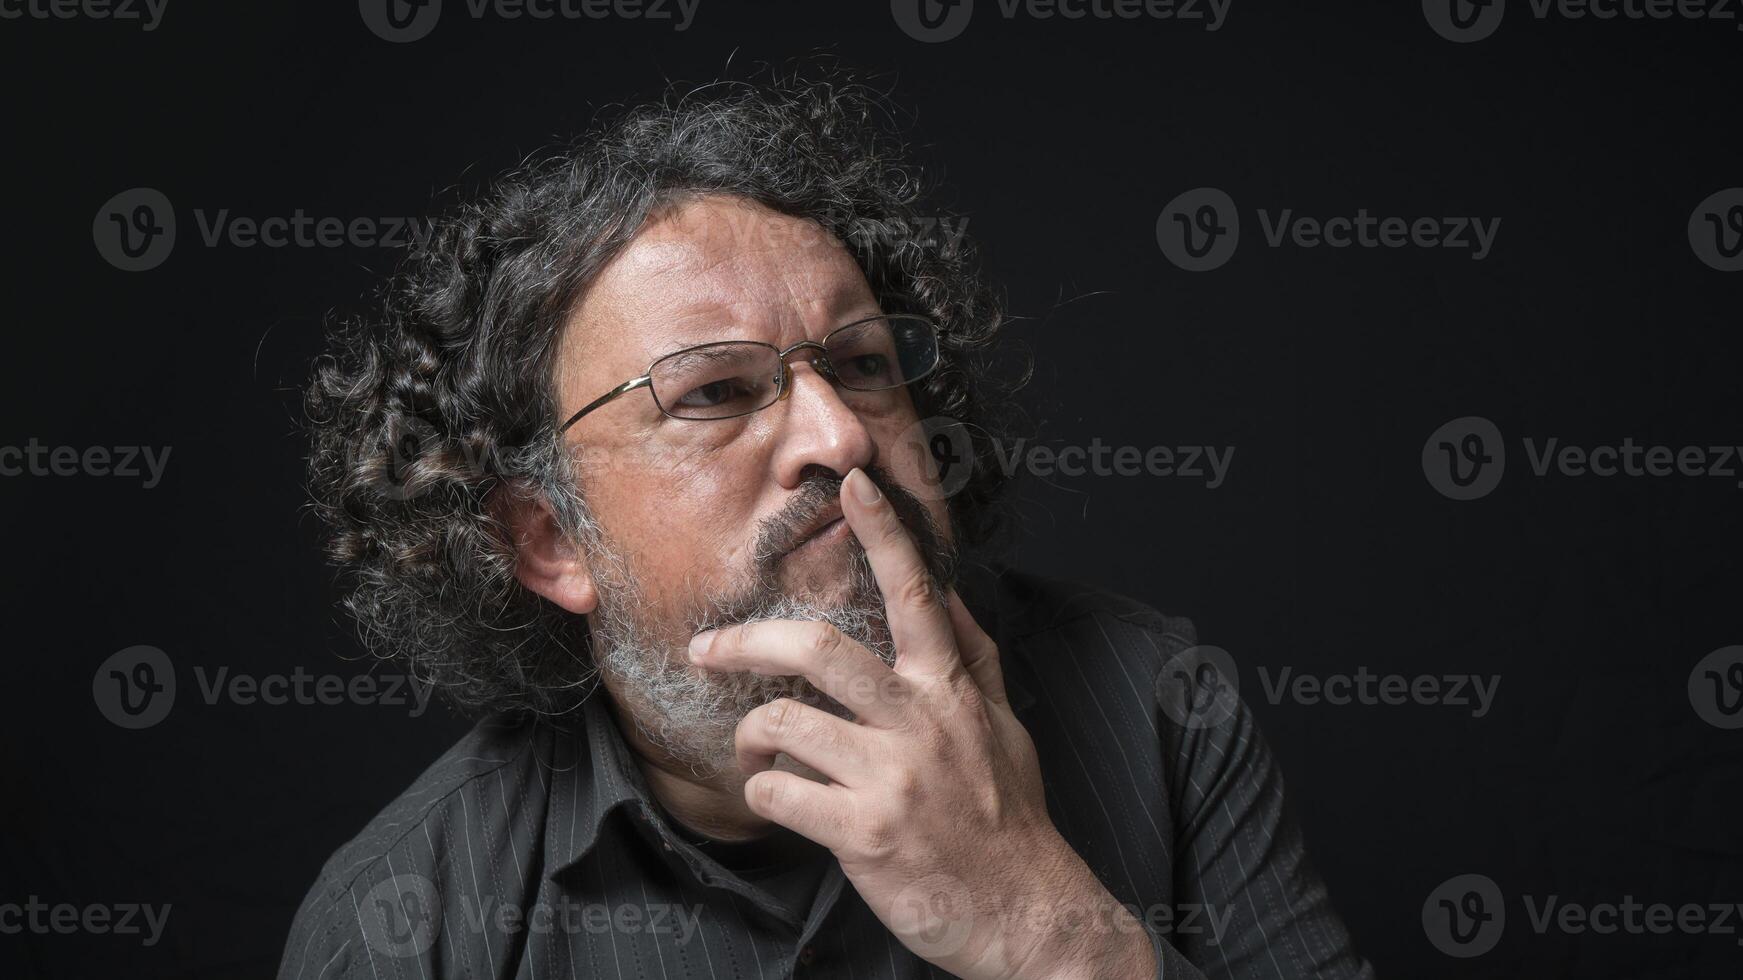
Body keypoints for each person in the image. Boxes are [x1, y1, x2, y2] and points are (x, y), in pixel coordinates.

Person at [281, 74, 1372, 979]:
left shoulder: (1158, 708)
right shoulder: (408, 918)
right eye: (713, 391)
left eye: (861, 364)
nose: (839, 434)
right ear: (547, 540)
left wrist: (1047, 924)